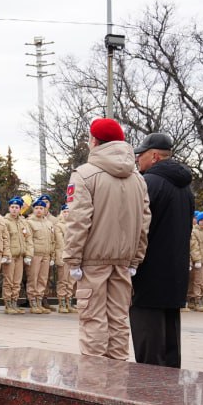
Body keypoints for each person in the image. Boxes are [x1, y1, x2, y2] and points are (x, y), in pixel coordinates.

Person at [63, 118, 151, 361]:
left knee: (93, 319)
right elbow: (144, 222)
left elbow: (78, 220)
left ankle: (95, 379)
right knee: (119, 320)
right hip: (123, 261)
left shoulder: (84, 175)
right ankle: (118, 378)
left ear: (94, 141)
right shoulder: (138, 179)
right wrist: (135, 259)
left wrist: (73, 259)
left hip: (92, 260)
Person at [128, 132, 194, 366]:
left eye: (141, 154)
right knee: (170, 343)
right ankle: (171, 387)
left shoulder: (147, 183)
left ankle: (149, 388)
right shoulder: (185, 187)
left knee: (149, 343)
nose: (137, 159)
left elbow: (136, 227)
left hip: (149, 272)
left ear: (154, 156)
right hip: (175, 271)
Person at [25, 198, 56, 314]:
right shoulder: (29, 222)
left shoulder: (49, 223)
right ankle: (33, 302)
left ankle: (39, 302)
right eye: (37, 208)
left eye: (41, 208)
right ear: (33, 209)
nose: (39, 210)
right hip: (35, 254)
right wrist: (28, 255)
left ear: (44, 210)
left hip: (46, 255)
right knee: (33, 278)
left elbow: (53, 240)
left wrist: (52, 256)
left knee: (43, 279)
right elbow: (28, 239)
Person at [0, 197, 30, 314]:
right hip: (10, 256)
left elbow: (27, 238)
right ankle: (8, 304)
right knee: (9, 281)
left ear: (20, 209)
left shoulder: (22, 222)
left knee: (17, 281)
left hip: (20, 256)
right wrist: (6, 254)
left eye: (16, 207)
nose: (14, 209)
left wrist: (28, 254)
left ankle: (14, 303)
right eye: (12, 207)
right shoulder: (5, 221)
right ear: (9, 208)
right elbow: (5, 239)